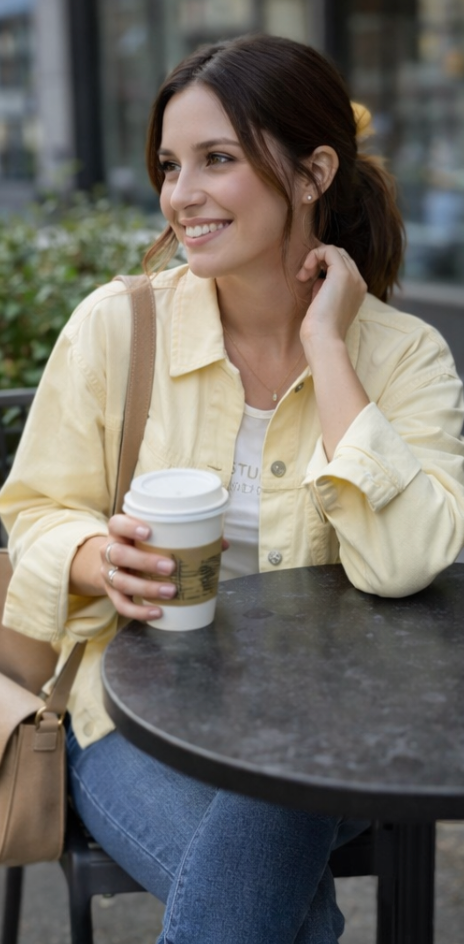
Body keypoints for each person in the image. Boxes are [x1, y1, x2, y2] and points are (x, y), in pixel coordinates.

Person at [1, 33, 464, 944]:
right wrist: (100, 559)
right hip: (132, 716)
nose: (181, 196)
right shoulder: (116, 325)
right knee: (280, 880)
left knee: (279, 790)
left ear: (312, 172)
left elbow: (409, 561)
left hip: (337, 734)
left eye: (218, 160)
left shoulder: (405, 357)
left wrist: (330, 347)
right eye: (171, 166)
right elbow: (34, 512)